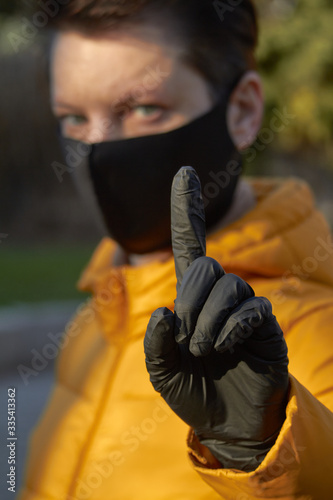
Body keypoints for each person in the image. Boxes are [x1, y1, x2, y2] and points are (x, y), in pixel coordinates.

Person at [19, 1, 333, 499]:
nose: (97, 149)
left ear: (245, 111)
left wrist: (262, 449)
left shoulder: (314, 335)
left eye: (144, 109)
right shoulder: (97, 317)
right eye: (73, 118)